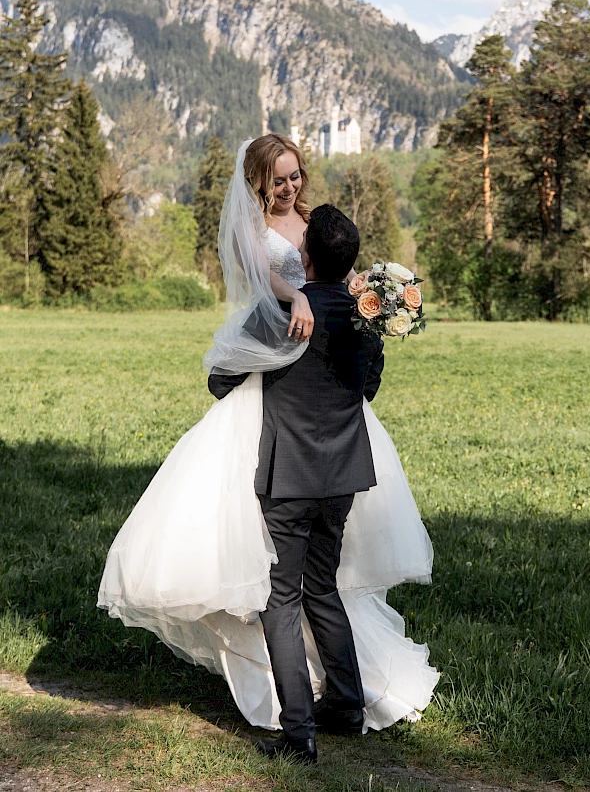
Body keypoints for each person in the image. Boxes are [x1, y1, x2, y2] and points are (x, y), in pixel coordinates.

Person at [98, 135, 438, 738]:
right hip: (320, 414)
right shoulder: (255, 239)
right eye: (280, 181)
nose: (291, 188)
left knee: (292, 586)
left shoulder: (315, 236)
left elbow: (228, 370)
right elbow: (268, 286)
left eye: (297, 176)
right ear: (259, 184)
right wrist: (305, 298)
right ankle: (340, 700)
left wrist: (341, 302)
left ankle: (301, 721)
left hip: (297, 421)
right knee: (312, 579)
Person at [209, 205, 384, 764]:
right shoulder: (366, 318)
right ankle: (348, 707)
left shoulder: (279, 314)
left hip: (288, 475)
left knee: (279, 597)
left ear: (305, 258)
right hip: (343, 474)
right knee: (323, 586)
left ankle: (298, 733)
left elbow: (219, 380)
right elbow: (369, 386)